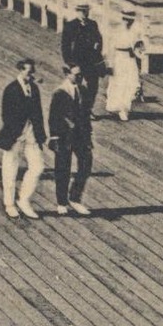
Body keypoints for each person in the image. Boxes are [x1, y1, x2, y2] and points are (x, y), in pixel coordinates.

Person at [0, 58, 47, 220]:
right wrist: (15, 133)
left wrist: (41, 135)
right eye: (28, 71)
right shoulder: (11, 89)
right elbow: (6, 115)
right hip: (15, 136)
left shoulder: (35, 89)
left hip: (31, 135)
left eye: (32, 72)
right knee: (10, 170)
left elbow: (38, 113)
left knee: (38, 167)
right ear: (20, 70)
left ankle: (24, 200)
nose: (31, 75)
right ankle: (9, 204)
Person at [47, 63, 93, 216]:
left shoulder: (83, 91)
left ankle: (75, 197)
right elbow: (53, 118)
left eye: (80, 75)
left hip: (81, 136)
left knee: (86, 164)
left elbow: (86, 115)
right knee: (62, 169)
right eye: (76, 75)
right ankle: (61, 202)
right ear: (67, 74)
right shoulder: (60, 93)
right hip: (64, 136)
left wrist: (88, 136)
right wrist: (54, 138)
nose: (79, 77)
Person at [61, 3, 107, 116]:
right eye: (81, 11)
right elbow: (65, 46)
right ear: (77, 11)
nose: (84, 13)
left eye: (86, 11)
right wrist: (71, 64)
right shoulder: (70, 26)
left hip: (91, 61)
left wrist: (97, 47)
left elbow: (99, 39)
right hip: (77, 61)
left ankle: (88, 109)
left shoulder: (92, 24)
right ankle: (75, 110)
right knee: (76, 86)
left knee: (93, 86)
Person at [104, 10, 146, 121]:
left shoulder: (136, 31)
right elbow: (110, 48)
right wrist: (110, 64)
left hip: (130, 59)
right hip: (118, 58)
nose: (128, 22)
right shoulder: (117, 31)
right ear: (123, 20)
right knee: (118, 83)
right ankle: (115, 106)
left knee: (131, 82)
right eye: (126, 20)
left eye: (131, 20)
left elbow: (140, 45)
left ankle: (125, 108)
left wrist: (139, 52)